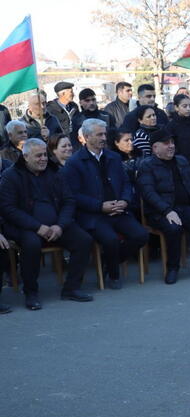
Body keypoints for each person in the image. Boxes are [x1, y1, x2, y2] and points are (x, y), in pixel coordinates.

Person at [0, 138, 94, 309]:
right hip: (26, 226)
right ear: (26, 156)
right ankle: (31, 292)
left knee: (83, 240)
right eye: (38, 156)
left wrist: (60, 225)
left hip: (56, 224)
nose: (43, 159)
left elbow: (68, 201)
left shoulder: (55, 173)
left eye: (45, 154)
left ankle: (72, 288)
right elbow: (8, 209)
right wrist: (38, 227)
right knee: (31, 244)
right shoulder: (11, 176)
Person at [62, 119, 148, 289]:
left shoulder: (113, 157)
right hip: (94, 215)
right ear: (86, 137)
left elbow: (125, 183)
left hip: (119, 210)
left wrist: (124, 200)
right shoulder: (75, 163)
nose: (104, 138)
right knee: (111, 240)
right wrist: (99, 206)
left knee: (141, 235)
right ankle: (114, 275)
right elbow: (74, 195)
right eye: (99, 134)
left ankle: (109, 262)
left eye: (104, 134)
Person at [137, 128, 190, 283]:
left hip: (183, 207)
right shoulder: (146, 165)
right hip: (159, 210)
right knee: (174, 229)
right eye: (166, 143)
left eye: (172, 142)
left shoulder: (181, 161)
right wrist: (166, 211)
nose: (171, 146)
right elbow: (148, 193)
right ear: (155, 148)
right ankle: (172, 268)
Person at [167, 94, 190, 167]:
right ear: (176, 107)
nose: (188, 109)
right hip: (180, 165)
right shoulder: (171, 126)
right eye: (184, 106)